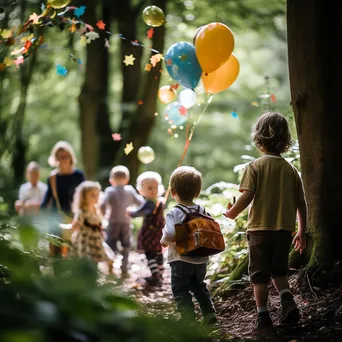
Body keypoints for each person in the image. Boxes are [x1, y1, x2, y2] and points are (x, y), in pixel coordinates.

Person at [225, 112, 307, 332]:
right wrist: (301, 231)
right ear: (285, 139)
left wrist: (232, 212)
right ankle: (287, 301)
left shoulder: (254, 167)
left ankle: (263, 318)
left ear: (259, 137)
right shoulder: (291, 171)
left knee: (259, 277)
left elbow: (247, 196)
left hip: (260, 231)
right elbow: (302, 203)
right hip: (284, 232)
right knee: (279, 272)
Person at [160, 166, 217, 325]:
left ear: (172, 192)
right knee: (199, 286)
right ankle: (209, 313)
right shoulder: (202, 209)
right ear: (197, 192)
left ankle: (188, 320)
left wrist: (164, 241)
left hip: (180, 259)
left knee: (181, 291)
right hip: (201, 258)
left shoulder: (175, 212)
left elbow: (171, 234)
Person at [41, 141, 85, 256]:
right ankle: (57, 273)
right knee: (56, 250)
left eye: (66, 156)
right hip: (56, 217)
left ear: (71, 157)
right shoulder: (53, 177)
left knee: (73, 251)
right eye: (60, 157)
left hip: (74, 217)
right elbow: (47, 198)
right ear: (56, 159)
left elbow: (84, 197)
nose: (64, 159)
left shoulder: (79, 176)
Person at [100, 165, 144, 275]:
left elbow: (102, 204)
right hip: (126, 222)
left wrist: (103, 214)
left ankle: (110, 266)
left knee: (111, 243)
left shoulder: (110, 191)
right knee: (126, 244)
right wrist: (135, 212)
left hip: (112, 222)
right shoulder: (130, 190)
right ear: (127, 179)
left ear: (111, 180)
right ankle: (124, 266)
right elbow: (141, 203)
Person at [127, 171, 165, 286]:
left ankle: (155, 276)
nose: (153, 190)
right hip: (159, 231)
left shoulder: (150, 203)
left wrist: (130, 212)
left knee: (150, 253)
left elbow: (139, 212)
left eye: (156, 187)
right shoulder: (160, 201)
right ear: (141, 191)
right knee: (158, 252)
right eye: (150, 188)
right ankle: (160, 273)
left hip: (151, 232)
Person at [71, 181, 113, 272]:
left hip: (96, 239)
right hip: (85, 239)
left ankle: (110, 276)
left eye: (97, 195)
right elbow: (76, 225)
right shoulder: (82, 212)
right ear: (84, 197)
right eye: (92, 195)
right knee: (87, 259)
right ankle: (88, 277)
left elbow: (99, 221)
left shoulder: (96, 209)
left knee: (107, 258)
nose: (96, 197)